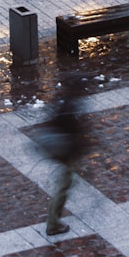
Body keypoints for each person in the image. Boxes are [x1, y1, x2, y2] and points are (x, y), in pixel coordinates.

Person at [42, 76, 89, 236]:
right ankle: (53, 224)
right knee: (63, 185)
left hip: (61, 146)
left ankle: (53, 221)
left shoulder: (65, 101)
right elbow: (73, 130)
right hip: (64, 149)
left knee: (65, 183)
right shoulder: (71, 106)